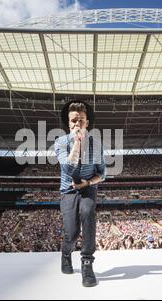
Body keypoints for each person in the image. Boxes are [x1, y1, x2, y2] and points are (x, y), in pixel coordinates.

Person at [54, 100, 106, 287]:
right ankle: (66, 252)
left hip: (88, 188)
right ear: (69, 123)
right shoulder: (60, 142)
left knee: (88, 211)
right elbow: (68, 168)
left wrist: (88, 182)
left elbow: (102, 173)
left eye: (81, 120)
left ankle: (86, 263)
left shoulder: (97, 144)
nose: (78, 124)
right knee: (72, 233)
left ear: (87, 122)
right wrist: (77, 143)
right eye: (74, 120)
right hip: (68, 190)